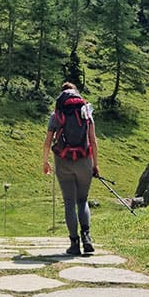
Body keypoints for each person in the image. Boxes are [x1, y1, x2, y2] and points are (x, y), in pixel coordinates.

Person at [42, 81, 99, 256]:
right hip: (84, 160)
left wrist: (45, 162)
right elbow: (93, 141)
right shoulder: (86, 113)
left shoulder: (56, 115)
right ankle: (87, 238)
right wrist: (95, 165)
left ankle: (74, 244)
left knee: (69, 202)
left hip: (63, 161)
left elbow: (48, 142)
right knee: (82, 201)